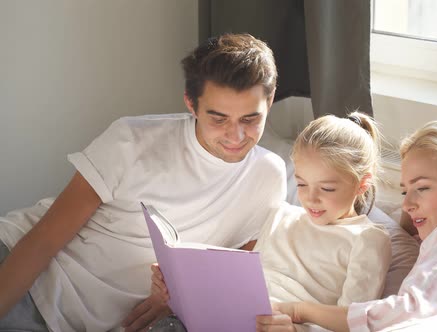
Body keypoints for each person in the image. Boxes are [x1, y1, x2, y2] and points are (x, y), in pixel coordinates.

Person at [0, 33, 287, 332]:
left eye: (250, 119)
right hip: (28, 272)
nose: (236, 136)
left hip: (111, 319)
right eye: (218, 119)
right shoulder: (131, 139)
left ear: (270, 98)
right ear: (191, 103)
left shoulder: (268, 177)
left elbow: (231, 276)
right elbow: (43, 239)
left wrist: (176, 297)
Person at [257, 118, 437, 332]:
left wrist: (300, 311)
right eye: (404, 191)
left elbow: (412, 309)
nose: (407, 203)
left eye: (421, 188)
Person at [149, 112, 392, 332]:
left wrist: (296, 329)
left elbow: (354, 323)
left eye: (327, 188)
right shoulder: (281, 215)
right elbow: (241, 280)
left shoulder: (366, 239)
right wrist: (180, 281)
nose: (311, 198)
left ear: (362, 183)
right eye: (302, 184)